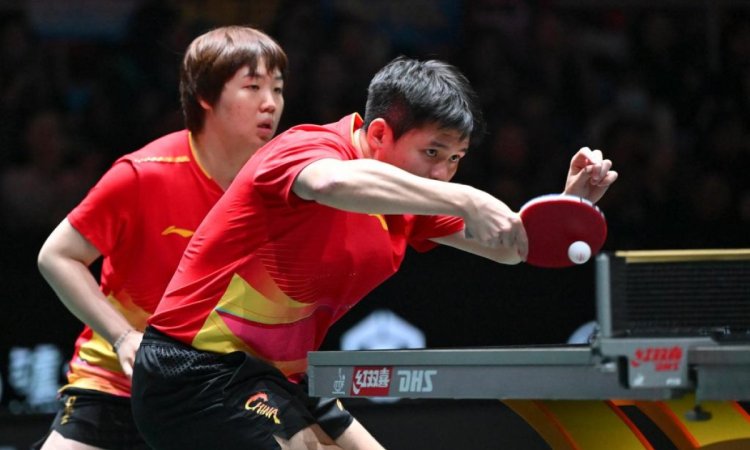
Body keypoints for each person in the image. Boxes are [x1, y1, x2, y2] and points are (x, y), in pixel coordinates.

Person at [131, 56, 618, 450]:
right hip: (195, 372)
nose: (443, 173)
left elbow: (510, 247)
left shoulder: (413, 200)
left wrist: (567, 208)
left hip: (281, 379)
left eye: (455, 159)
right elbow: (329, 183)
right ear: (380, 133)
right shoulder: (306, 147)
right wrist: (464, 197)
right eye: (432, 152)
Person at [35, 25, 288, 450]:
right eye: (252, 86)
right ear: (205, 95)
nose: (271, 103)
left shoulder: (281, 185)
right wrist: (122, 337)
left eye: (277, 89)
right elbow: (57, 256)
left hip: (217, 393)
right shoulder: (144, 175)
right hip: (117, 386)